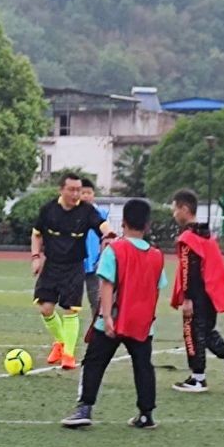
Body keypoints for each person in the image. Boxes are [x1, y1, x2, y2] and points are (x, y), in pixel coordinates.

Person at [61, 199, 166, 429]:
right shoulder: (157, 256)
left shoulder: (115, 250)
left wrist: (107, 316)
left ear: (123, 223)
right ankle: (146, 413)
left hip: (115, 319)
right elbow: (156, 287)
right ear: (147, 225)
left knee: (94, 362)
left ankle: (84, 408)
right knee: (143, 366)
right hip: (143, 322)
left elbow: (106, 284)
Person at [32, 173, 115, 370]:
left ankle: (68, 355)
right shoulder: (48, 210)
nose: (76, 194)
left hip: (74, 266)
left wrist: (109, 234)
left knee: (70, 310)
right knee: (46, 309)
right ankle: (60, 343)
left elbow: (101, 224)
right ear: (61, 190)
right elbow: (36, 234)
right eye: (72, 190)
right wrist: (36, 257)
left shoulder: (86, 211)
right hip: (51, 265)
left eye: (79, 190)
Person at [169, 188, 224, 393]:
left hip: (197, 294)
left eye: (175, 209)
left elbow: (188, 269)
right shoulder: (205, 235)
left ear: (185, 209)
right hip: (210, 292)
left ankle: (198, 379)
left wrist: (187, 298)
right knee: (205, 331)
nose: (173, 214)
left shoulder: (188, 238)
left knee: (193, 333)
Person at [80, 178, 110, 328]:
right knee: (72, 302)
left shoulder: (101, 214)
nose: (85, 195)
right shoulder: (74, 213)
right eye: (82, 192)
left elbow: (106, 237)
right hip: (77, 262)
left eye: (88, 192)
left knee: (96, 299)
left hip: (95, 262)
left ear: (93, 194)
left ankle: (97, 328)